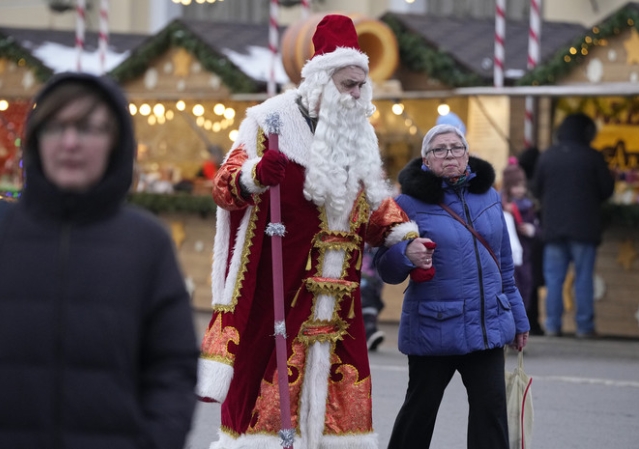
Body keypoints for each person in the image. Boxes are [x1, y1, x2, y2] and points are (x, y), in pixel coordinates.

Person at [0, 72, 199, 449]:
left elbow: (172, 368)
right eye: (56, 127)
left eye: (89, 128)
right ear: (36, 140)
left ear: (116, 142)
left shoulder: (146, 243)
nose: (70, 143)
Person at [196, 14, 424, 449]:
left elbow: (373, 204)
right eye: (349, 84)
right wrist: (255, 175)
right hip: (280, 290)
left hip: (340, 300)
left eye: (362, 84)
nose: (358, 93)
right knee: (267, 395)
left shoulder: (359, 134)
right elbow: (225, 187)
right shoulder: (270, 123)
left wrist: (402, 237)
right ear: (321, 82)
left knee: (342, 406)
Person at [376, 123, 530, 449]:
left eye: (456, 148)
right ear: (426, 160)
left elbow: (503, 267)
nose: (449, 155)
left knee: (491, 416)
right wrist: (406, 253)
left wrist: (519, 317)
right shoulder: (407, 204)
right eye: (439, 149)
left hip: (487, 326)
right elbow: (386, 269)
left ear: (467, 155)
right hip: (434, 328)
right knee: (419, 414)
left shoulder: (489, 197)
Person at [532, 113, 615, 338]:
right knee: (584, 278)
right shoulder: (592, 157)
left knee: (554, 280)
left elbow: (536, 188)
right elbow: (607, 190)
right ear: (587, 133)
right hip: (584, 228)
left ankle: (552, 324)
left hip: (553, 227)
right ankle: (584, 326)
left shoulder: (547, 156)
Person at [501, 159, 543, 336]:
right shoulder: (500, 207)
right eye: (515, 186)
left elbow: (539, 232)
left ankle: (518, 330)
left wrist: (532, 231)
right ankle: (509, 331)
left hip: (525, 258)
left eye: (522, 185)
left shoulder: (528, 208)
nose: (520, 190)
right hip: (507, 259)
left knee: (524, 291)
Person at [361, 244, 386, 351]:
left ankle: (369, 333)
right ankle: (370, 332)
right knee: (368, 307)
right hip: (364, 282)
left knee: (370, 307)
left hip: (369, 282)